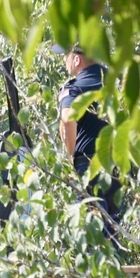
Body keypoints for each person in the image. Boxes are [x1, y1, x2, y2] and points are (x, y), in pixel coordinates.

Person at [53, 43, 123, 244]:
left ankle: (95, 275)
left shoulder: (73, 87)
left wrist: (69, 155)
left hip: (90, 165)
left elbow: (67, 118)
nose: (65, 61)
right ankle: (113, 271)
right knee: (111, 230)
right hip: (120, 165)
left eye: (66, 56)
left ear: (77, 59)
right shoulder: (116, 82)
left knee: (90, 227)